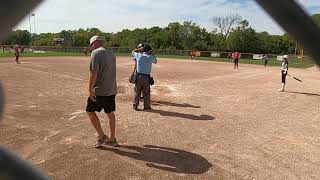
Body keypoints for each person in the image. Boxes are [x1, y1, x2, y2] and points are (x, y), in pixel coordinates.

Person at [86, 35, 118, 148]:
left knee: (89, 111)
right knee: (110, 113)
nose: (91, 47)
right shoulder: (111, 53)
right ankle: (112, 138)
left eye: (91, 45)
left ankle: (101, 136)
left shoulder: (95, 53)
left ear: (94, 43)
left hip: (100, 90)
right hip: (111, 89)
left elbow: (93, 73)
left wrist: (90, 89)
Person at [132, 44, 157, 111]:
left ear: (143, 50)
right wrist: (152, 53)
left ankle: (135, 105)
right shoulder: (150, 57)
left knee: (137, 92)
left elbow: (133, 52)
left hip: (139, 76)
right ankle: (146, 106)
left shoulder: (139, 55)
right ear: (149, 51)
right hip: (146, 77)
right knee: (146, 92)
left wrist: (139, 49)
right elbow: (155, 61)